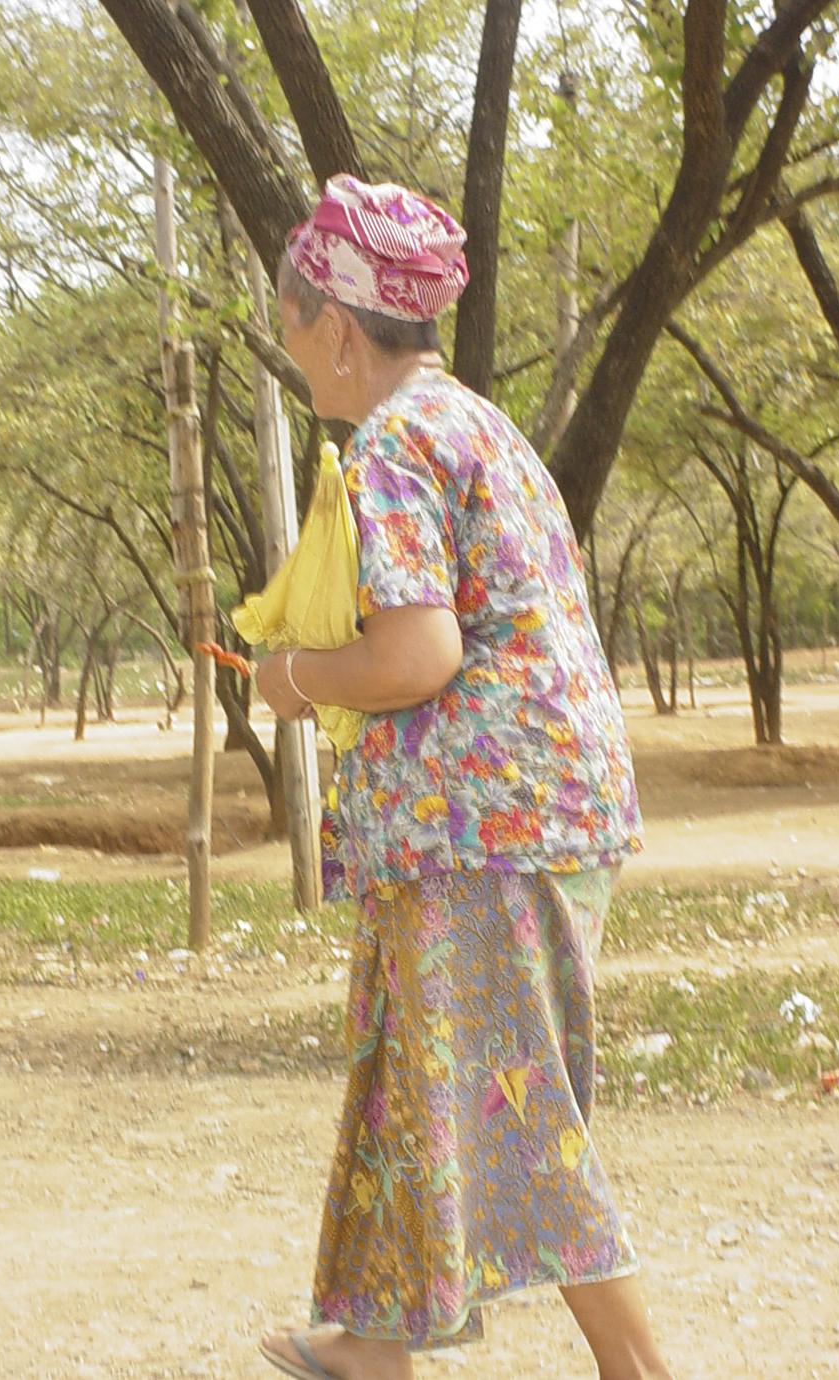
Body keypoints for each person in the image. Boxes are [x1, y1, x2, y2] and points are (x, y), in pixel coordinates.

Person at [255, 175, 672, 1380]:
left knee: (512, 1096)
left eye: (293, 329)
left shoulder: (391, 444)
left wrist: (294, 678)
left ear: (337, 325)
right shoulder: (482, 424)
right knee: (418, 1068)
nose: (297, 356)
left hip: (482, 825)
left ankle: (639, 1368)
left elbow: (419, 653)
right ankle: (375, 1339)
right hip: (537, 810)